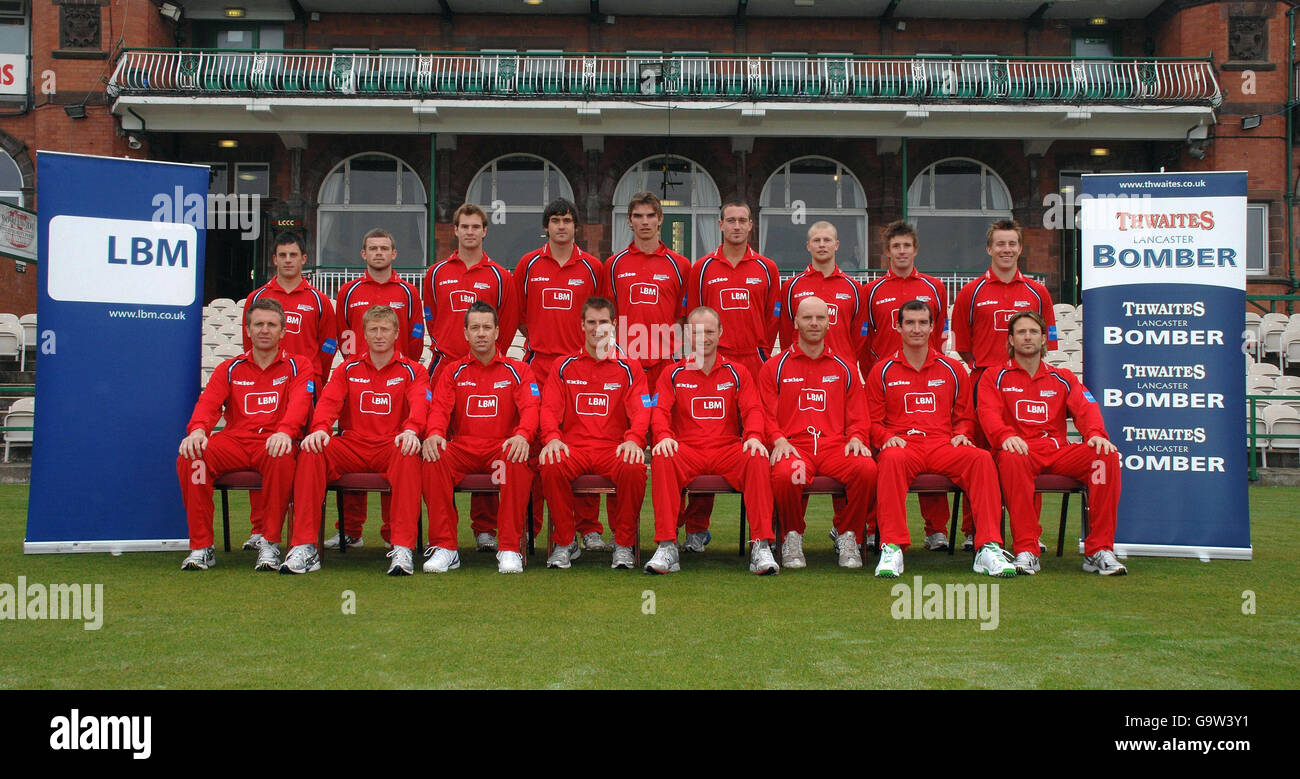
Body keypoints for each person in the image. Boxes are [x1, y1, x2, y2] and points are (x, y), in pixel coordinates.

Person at [866, 300, 1016, 579]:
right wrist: (886, 437)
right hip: (903, 444)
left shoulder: (953, 369)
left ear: (934, 326)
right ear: (897, 327)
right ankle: (892, 547)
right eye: (909, 323)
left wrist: (961, 434)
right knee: (890, 458)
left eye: (923, 322)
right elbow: (872, 421)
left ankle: (988, 547)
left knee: (981, 459)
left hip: (942, 443)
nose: (917, 329)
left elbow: (965, 417)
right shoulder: (882, 370)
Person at [280, 305, 427, 576]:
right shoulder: (347, 369)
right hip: (353, 444)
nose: (379, 335)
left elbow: (419, 404)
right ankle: (304, 545)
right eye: (373, 329)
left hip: (391, 444)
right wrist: (321, 428)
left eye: (385, 329)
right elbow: (329, 402)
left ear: (396, 333)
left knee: (408, 453)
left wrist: (412, 430)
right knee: (312, 451)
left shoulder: (413, 370)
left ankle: (402, 547)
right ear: (364, 334)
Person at [977, 311, 1127, 575]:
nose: (1027, 337)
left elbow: (1086, 408)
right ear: (1011, 340)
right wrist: (1005, 436)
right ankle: (1027, 550)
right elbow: (987, 413)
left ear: (1044, 339)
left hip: (1057, 452)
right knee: (1012, 457)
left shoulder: (1063, 377)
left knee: (1105, 457)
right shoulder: (995, 376)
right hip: (1019, 451)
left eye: (1033, 332)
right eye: (1021, 332)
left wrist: (1095, 434)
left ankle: (1099, 550)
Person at [178, 298, 313, 571]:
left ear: (282, 331)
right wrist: (197, 430)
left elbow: (300, 403)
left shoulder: (298, 365)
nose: (265, 330)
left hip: (273, 441)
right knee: (192, 458)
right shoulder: (230, 368)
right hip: (235, 442)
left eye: (271, 325)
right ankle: (202, 546)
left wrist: (286, 432)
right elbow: (208, 404)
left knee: (282, 454)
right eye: (258, 324)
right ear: (248, 330)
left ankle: (270, 542)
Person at [645, 306, 779, 575]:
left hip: (726, 449)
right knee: (663, 455)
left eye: (709, 331)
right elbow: (659, 411)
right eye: (696, 331)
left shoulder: (737, 372)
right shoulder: (672, 373)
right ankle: (667, 545)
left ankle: (761, 545)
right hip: (687, 449)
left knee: (756, 455)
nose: (703, 338)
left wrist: (753, 436)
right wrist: (663, 436)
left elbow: (753, 409)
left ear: (720, 333)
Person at [951, 218, 1058, 551]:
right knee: (979, 458)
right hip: (983, 380)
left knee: (1026, 455)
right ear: (989, 248)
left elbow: (1047, 344)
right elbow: (963, 343)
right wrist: (986, 371)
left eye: (1012, 243)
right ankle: (974, 531)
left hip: (1024, 386)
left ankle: (1029, 533)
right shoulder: (972, 291)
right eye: (1000, 243)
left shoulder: (1038, 292)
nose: (1006, 249)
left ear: (1020, 248)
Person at [423, 203, 521, 553]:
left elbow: (506, 324)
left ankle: (485, 528)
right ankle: (444, 539)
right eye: (463, 226)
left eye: (475, 226)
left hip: (485, 368)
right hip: (446, 367)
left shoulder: (499, 276)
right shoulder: (435, 274)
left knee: (487, 436)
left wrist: (484, 359)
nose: (469, 232)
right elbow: (432, 316)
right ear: (456, 230)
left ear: (484, 231)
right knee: (441, 448)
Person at [684, 202, 781, 551]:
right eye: (731, 221)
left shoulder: (767, 268)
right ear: (720, 224)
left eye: (743, 220)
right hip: (710, 361)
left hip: (753, 364)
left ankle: (765, 530)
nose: (737, 226)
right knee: (705, 436)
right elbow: (694, 314)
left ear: (751, 225)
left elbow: (773, 316)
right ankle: (696, 527)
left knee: (760, 442)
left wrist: (757, 350)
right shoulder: (703, 268)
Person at [515, 198, 609, 551]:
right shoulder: (528, 264)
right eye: (555, 220)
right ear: (546, 226)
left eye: (567, 220)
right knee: (541, 450)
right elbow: (520, 315)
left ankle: (589, 529)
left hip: (580, 369)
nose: (561, 226)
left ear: (576, 226)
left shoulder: (592, 267)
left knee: (585, 444)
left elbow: (599, 314)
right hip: (539, 367)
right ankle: (535, 528)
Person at [421, 301, 539, 575]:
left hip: (500, 451)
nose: (482, 333)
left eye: (487, 327)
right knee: (433, 456)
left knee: (517, 457)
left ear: (498, 332)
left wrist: (522, 435)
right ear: (465, 333)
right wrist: (435, 434)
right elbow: (439, 409)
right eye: (475, 328)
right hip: (463, 451)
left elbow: (531, 409)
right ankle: (445, 548)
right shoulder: (453, 371)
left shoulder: (518, 370)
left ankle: (509, 547)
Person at [237, 231, 337, 552]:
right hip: (268, 387)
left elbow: (329, 344)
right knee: (262, 451)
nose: (288, 260)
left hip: (307, 389)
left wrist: (311, 376)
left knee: (306, 459)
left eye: (294, 255)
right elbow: (248, 342)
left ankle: (301, 531)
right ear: (274, 259)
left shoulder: (319, 301)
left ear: (304, 259)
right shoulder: (258, 298)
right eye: (283, 255)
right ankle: (259, 528)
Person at [760, 296, 876, 570]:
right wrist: (776, 438)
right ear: (796, 322)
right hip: (795, 447)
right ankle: (791, 535)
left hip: (835, 447)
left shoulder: (844, 367)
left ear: (828, 323)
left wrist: (857, 437)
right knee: (788, 474)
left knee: (866, 470)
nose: (814, 323)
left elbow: (859, 414)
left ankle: (848, 535)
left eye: (820, 318)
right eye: (808, 318)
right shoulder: (774, 367)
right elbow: (764, 413)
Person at [859, 220, 953, 551]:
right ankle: (873, 527)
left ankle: (936, 529)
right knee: (880, 455)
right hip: (885, 382)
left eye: (907, 246)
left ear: (915, 250)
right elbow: (865, 340)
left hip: (927, 378)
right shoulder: (871, 291)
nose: (901, 252)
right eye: (895, 246)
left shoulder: (934, 287)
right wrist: (877, 376)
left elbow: (938, 335)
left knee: (935, 444)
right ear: (887, 252)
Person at [538, 297, 652, 570]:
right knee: (550, 462)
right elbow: (549, 408)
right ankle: (565, 543)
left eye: (603, 322)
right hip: (573, 448)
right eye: (591, 322)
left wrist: (634, 439)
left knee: (634, 466)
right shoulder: (563, 366)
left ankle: (623, 544)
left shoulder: (629, 367)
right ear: (582, 325)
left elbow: (641, 409)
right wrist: (552, 438)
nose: (597, 328)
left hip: (612, 448)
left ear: (614, 325)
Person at [329, 228, 424, 551]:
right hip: (357, 379)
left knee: (398, 452)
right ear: (363, 254)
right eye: (373, 248)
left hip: (397, 378)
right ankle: (351, 530)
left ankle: (391, 533)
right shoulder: (348, 291)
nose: (379, 253)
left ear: (394, 254)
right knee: (352, 444)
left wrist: (399, 369)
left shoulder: (409, 291)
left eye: (385, 248)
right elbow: (342, 331)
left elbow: (413, 333)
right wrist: (355, 368)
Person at [778, 221, 866, 548]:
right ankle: (791, 534)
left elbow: (860, 334)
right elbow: (787, 328)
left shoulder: (853, 288)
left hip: (840, 381)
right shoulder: (792, 286)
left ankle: (844, 531)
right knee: (797, 451)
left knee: (845, 451)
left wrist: (844, 365)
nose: (822, 244)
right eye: (816, 239)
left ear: (837, 244)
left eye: (828, 239)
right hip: (802, 374)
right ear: (808, 245)